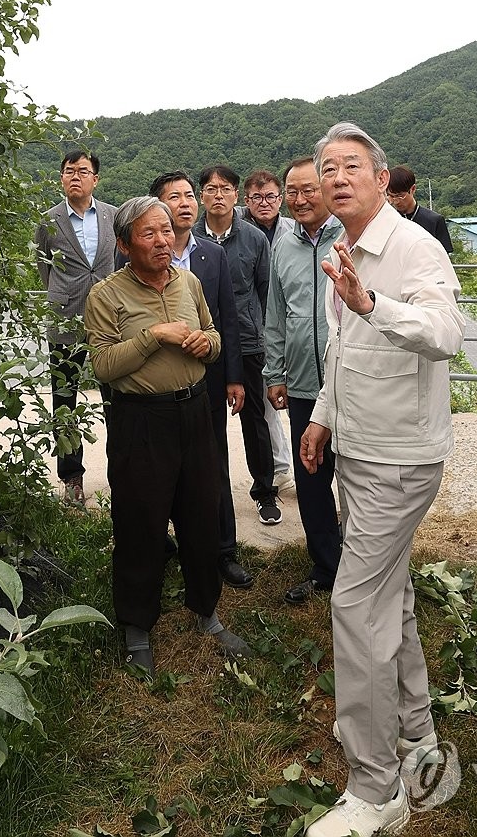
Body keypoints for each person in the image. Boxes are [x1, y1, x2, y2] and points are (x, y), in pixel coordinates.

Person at [300, 124, 464, 837]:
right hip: (359, 451)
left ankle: (377, 787)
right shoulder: (341, 247)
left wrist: (372, 303)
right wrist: (322, 416)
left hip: (400, 459)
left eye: (350, 167)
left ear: (381, 176)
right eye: (326, 167)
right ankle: (416, 732)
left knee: (355, 603)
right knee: (388, 596)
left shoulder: (412, 246)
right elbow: (344, 348)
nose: (336, 177)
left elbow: (444, 332)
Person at [83, 197, 251, 675]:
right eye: (148, 234)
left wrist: (206, 343)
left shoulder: (189, 282)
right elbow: (104, 366)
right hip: (140, 421)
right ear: (123, 244)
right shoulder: (106, 296)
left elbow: (215, 337)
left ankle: (207, 612)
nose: (162, 241)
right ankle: (137, 625)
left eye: (165, 231)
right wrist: (155, 335)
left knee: (201, 513)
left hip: (195, 412)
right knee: (140, 522)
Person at [150, 171, 253, 588]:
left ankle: (223, 550)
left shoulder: (212, 254)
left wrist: (234, 378)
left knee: (214, 466)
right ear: (157, 207)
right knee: (162, 470)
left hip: (206, 382)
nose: (186, 203)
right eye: (174, 197)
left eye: (189, 195)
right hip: (156, 387)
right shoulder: (136, 256)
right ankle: (164, 544)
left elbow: (227, 318)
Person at [263, 158, 344, 604]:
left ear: (327, 189)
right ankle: (326, 567)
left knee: (355, 475)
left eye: (308, 190)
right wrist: (274, 372)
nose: (299, 199)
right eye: (292, 191)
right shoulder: (283, 246)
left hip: (349, 384)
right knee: (311, 476)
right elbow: (276, 316)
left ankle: (363, 563)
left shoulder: (350, 237)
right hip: (301, 386)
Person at [193, 165, 282, 526]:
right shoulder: (187, 236)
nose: (218, 195)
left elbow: (266, 294)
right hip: (199, 343)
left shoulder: (254, 239)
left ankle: (265, 492)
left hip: (246, 341)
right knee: (202, 424)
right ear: (202, 195)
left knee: (255, 420)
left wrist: (267, 339)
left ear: (235, 196)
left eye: (225, 188)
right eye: (211, 188)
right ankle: (209, 497)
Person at [34, 151, 117, 505]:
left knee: (117, 398)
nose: (75, 177)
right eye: (69, 172)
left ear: (95, 179)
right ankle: (71, 478)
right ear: (61, 178)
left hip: (109, 322)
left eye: (83, 171)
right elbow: (41, 264)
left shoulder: (113, 216)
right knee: (65, 399)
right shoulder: (48, 219)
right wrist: (61, 295)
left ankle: (123, 471)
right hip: (64, 319)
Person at [243, 169, 296, 486]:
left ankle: (310, 469)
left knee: (303, 402)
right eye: (257, 197)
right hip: (259, 329)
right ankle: (279, 468)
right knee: (266, 402)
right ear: (246, 200)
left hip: (295, 325)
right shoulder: (241, 231)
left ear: (281, 199)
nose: (265, 203)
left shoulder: (294, 229)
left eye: (271, 196)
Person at [386, 165, 453, 252]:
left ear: (413, 189)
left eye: (400, 196)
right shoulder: (387, 220)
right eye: (391, 196)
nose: (396, 201)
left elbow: (443, 256)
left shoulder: (434, 220)